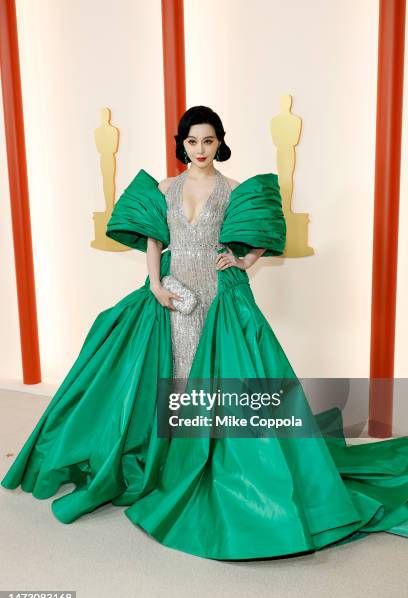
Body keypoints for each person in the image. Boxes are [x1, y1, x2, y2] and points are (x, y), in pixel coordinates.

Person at [2, 106, 408, 561]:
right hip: (174, 293)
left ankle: (210, 460)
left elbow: (265, 233)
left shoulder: (233, 189)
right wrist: (155, 285)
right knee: (173, 375)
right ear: (182, 143)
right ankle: (170, 458)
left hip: (217, 295)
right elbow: (155, 241)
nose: (200, 149)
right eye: (192, 141)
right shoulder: (162, 188)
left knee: (216, 378)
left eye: (208, 141)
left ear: (220, 142)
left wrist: (244, 261)